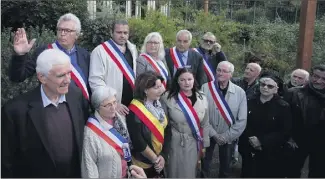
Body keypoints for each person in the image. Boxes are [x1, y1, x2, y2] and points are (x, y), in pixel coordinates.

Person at [1, 49, 89, 177]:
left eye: (68, 73)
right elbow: (6, 162)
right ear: (42, 77)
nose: (67, 80)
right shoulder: (15, 110)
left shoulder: (76, 96)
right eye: (60, 76)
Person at [9, 13, 90, 100]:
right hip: (54, 106)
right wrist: (20, 55)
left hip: (80, 107)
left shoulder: (84, 54)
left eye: (67, 30)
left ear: (77, 35)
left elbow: (89, 84)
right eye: (60, 29)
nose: (62, 33)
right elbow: (17, 77)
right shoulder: (44, 51)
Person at [239, 71, 292, 177]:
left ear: (276, 89)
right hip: (248, 147)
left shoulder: (283, 106)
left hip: (271, 150)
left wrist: (262, 141)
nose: (265, 88)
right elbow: (242, 121)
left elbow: (284, 131)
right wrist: (251, 138)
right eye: (263, 84)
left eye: (270, 86)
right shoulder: (249, 101)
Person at [161, 67, 210, 178]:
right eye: (182, 80)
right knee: (174, 172)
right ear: (177, 81)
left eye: (189, 79)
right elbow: (163, 124)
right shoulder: (167, 97)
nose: (186, 83)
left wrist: (204, 145)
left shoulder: (202, 97)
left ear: (194, 80)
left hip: (195, 141)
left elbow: (205, 123)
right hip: (175, 141)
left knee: (190, 173)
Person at [201, 61, 247, 178]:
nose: (220, 73)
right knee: (205, 165)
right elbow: (201, 113)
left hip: (228, 135)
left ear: (231, 74)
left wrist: (226, 136)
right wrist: (214, 134)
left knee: (226, 168)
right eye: (218, 70)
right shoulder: (205, 88)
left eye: (224, 71)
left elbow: (242, 120)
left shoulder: (240, 92)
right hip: (209, 132)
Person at [89, 19, 138, 116]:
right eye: (119, 32)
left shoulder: (132, 49)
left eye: (125, 33)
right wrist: (114, 104)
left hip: (131, 105)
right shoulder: (99, 51)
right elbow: (96, 81)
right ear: (111, 33)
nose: (122, 35)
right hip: (111, 107)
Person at [284, 65, 325, 178]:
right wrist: (288, 137)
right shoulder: (294, 93)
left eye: (323, 78)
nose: (319, 81)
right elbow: (284, 118)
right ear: (311, 76)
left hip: (321, 143)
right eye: (316, 76)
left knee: (318, 173)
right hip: (298, 140)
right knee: (292, 172)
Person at [81, 86, 132, 178]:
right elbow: (89, 168)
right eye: (108, 105)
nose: (113, 108)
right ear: (97, 107)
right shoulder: (90, 133)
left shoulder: (120, 118)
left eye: (114, 102)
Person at [126, 72, 168, 178]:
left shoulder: (160, 103)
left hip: (159, 160)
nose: (161, 90)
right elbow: (138, 141)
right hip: (142, 164)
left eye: (160, 86)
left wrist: (162, 156)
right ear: (145, 90)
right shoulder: (134, 111)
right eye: (156, 87)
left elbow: (167, 131)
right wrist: (155, 160)